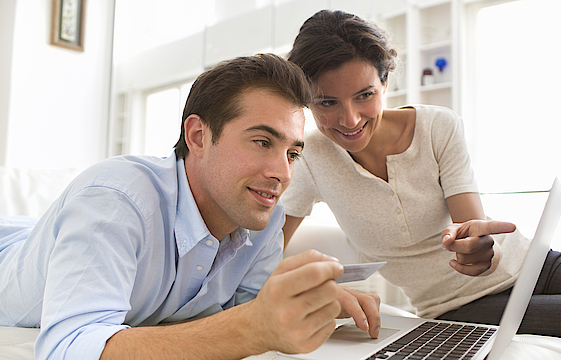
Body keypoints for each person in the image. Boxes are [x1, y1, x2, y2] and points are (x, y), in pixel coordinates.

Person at [0, 54, 380, 360]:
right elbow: (67, 348)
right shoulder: (116, 200)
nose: (283, 173)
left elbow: (248, 314)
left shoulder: (263, 220)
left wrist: (308, 305)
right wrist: (253, 327)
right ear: (198, 136)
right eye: (263, 142)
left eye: (293, 153)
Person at [281, 9, 561, 349]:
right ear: (307, 102)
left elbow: (471, 226)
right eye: (328, 102)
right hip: (462, 307)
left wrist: (474, 248)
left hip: (537, 262)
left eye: (365, 95)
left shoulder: (437, 127)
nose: (350, 118)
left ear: (385, 82)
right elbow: (264, 253)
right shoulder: (308, 157)